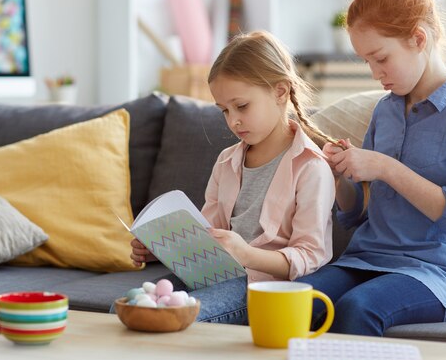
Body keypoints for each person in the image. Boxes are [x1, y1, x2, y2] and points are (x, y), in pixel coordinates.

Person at [298, 0, 446, 336]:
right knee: (294, 301)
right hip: (368, 258)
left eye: (381, 58)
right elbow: (358, 213)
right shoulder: (386, 111)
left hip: (439, 272)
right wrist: (337, 175)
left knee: (357, 308)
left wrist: (385, 167)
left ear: (419, 39)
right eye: (367, 62)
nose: (375, 73)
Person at [130, 30, 337, 324]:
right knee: (129, 309)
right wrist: (160, 248)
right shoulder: (227, 161)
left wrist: (246, 254)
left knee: (180, 319)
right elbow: (207, 234)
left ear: (280, 92)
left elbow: (311, 256)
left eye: (241, 106)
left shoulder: (311, 167)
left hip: (261, 287)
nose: (233, 120)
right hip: (213, 277)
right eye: (224, 110)